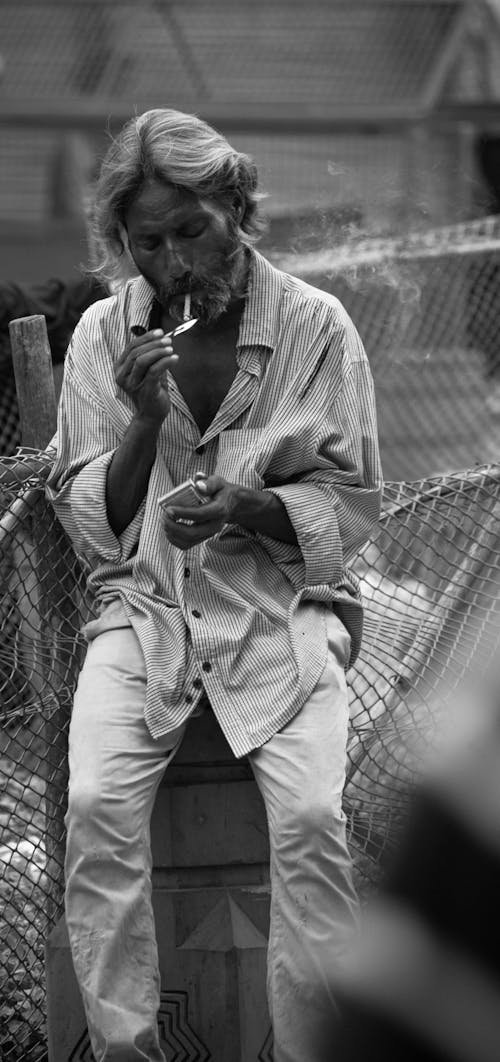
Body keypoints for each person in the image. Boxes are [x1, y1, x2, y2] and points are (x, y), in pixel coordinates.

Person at [46, 107, 383, 1062]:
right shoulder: (105, 336)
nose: (170, 262)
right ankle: (128, 1052)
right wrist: (143, 424)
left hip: (282, 610)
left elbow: (353, 511)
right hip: (144, 608)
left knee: (314, 822)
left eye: (190, 230)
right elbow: (90, 526)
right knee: (95, 814)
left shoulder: (317, 328)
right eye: (145, 242)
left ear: (237, 206)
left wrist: (244, 506)